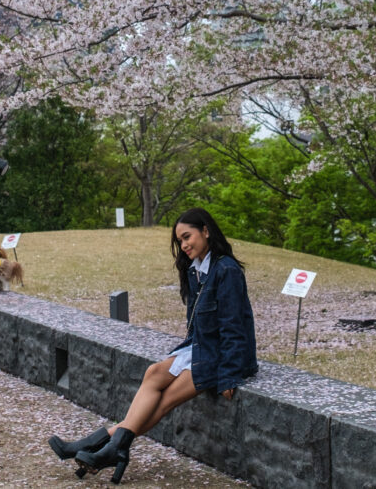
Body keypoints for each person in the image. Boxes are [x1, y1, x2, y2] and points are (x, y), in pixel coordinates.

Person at [48, 207, 257, 484]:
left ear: (206, 231)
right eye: (179, 241)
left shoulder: (226, 270)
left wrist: (229, 374)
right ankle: (106, 448)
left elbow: (234, 325)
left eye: (187, 237)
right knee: (153, 373)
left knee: (164, 400)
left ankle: (97, 447)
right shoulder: (196, 270)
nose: (183, 246)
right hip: (201, 348)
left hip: (221, 357)